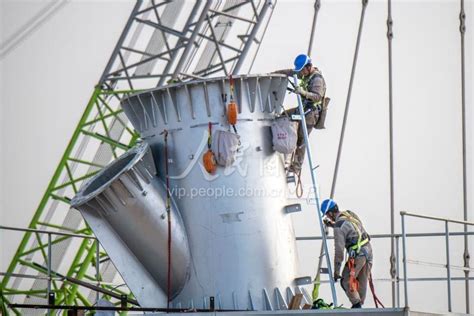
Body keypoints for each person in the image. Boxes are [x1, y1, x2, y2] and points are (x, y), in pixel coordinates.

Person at [273, 53, 328, 173]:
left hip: (311, 113)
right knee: (284, 116)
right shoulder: (304, 73)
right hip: (303, 109)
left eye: (302, 70)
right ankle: (285, 144)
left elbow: (318, 97)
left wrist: (303, 93)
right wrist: (274, 73)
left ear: (308, 67)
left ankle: (296, 167)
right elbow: (290, 72)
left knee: (302, 140)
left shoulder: (317, 79)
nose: (300, 73)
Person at [321, 198, 372, 309]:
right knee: (361, 282)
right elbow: (350, 227)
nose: (328, 217)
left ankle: (357, 307)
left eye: (327, 215)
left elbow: (339, 251)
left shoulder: (338, 227)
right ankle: (359, 307)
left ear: (330, 213)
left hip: (358, 255)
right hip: (368, 250)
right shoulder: (349, 214)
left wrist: (336, 271)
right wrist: (332, 225)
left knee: (346, 281)